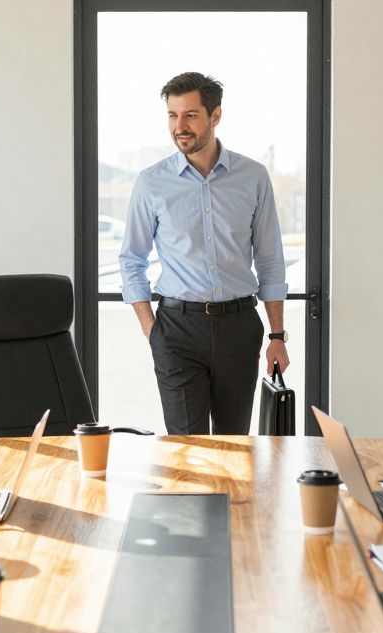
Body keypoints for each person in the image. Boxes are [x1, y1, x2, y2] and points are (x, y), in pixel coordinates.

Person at [119, 72, 289, 435]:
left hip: (238, 328)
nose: (180, 126)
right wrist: (154, 333)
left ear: (215, 116)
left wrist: (278, 336)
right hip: (177, 330)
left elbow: (270, 259)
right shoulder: (151, 182)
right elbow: (131, 259)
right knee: (186, 449)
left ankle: (235, 496)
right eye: (172, 115)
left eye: (190, 115)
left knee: (234, 446)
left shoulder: (253, 177)